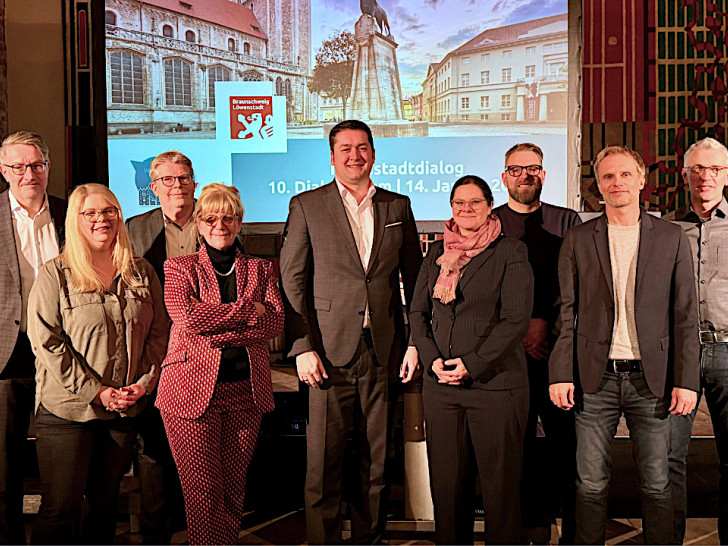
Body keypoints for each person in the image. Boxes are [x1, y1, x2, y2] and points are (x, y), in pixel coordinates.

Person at [279, 119, 423, 544]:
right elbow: (292, 281)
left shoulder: (398, 206)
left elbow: (415, 282)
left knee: (376, 464)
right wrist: (303, 346)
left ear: (374, 154)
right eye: (345, 148)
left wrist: (414, 342)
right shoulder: (307, 205)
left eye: (362, 147)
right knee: (323, 466)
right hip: (326, 353)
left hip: (383, 350)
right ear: (332, 156)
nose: (354, 155)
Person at [549, 146, 700, 544]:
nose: (617, 183)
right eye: (608, 177)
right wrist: (560, 373)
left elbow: (686, 313)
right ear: (597, 186)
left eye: (625, 175)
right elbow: (566, 312)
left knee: (656, 484)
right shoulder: (579, 238)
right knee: (590, 485)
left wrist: (687, 381)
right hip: (593, 381)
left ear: (641, 179)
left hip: (653, 381)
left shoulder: (670, 236)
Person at [27, 183, 169, 544]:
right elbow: (47, 342)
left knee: (106, 505)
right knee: (61, 509)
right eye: (89, 213)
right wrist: (96, 392)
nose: (101, 219)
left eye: (108, 211)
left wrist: (143, 384)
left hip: (124, 410)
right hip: (68, 412)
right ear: (75, 220)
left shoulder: (141, 271)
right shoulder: (55, 273)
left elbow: (159, 334)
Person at [156, 183, 284, 545]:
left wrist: (218, 326)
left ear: (240, 222)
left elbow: (274, 323)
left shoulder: (261, 269)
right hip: (189, 397)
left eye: (228, 218)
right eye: (211, 218)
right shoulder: (178, 268)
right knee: (202, 495)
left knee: (232, 493)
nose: (220, 225)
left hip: (245, 394)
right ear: (198, 224)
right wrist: (248, 314)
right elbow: (189, 319)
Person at [409, 175, 533, 544]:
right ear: (451, 208)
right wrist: (432, 361)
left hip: (494, 387)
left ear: (490, 206)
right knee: (447, 490)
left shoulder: (511, 251)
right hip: (441, 389)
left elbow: (515, 320)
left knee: (500, 490)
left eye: (475, 202)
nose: (466, 209)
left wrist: (472, 363)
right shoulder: (436, 253)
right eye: (459, 203)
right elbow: (417, 313)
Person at [493, 142, 581, 543]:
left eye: (534, 169)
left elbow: (580, 284)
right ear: (504, 176)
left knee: (569, 449)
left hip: (560, 353)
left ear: (544, 174)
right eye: (516, 169)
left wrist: (545, 325)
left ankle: (577, 530)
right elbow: (483, 289)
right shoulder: (490, 223)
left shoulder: (569, 222)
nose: (525, 175)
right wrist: (522, 328)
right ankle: (529, 528)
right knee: (517, 449)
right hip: (507, 356)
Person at [126, 150, 197, 543]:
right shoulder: (134, 230)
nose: (177, 186)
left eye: (183, 178)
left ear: (194, 182)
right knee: (154, 450)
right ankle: (158, 535)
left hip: (208, 354)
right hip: (155, 353)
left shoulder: (216, 220)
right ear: (153, 188)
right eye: (167, 180)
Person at [0, 131, 65, 544]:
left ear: (47, 167)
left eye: (36, 165)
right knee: (4, 469)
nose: (29, 174)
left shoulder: (69, 213)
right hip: (6, 355)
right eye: (18, 167)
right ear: (3, 170)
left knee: (64, 466)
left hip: (63, 354)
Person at [666, 137, 728, 544]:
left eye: (714, 169)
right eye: (697, 169)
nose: (705, 177)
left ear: (726, 174)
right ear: (685, 174)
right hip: (679, 354)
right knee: (667, 458)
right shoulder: (666, 229)